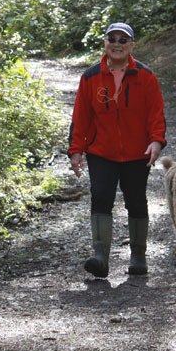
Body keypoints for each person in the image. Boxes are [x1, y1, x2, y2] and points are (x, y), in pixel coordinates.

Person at [68, 22, 167, 278]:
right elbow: (81, 117)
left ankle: (138, 256)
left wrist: (157, 141)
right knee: (101, 196)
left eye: (123, 40)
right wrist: (76, 150)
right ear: (105, 43)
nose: (117, 44)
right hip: (101, 152)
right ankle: (100, 256)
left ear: (131, 46)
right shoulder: (90, 77)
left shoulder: (146, 76)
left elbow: (156, 114)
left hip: (137, 152)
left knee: (136, 201)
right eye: (112, 39)